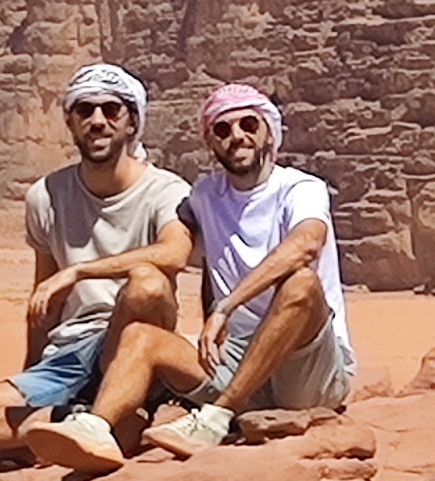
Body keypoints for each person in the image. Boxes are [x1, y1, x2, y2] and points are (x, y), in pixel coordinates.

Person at [0, 63, 191, 466]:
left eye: (111, 110)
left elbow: (174, 254)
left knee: (146, 283)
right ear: (70, 120)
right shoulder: (46, 196)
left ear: (132, 121)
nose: (98, 121)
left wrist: (80, 270)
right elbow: (44, 301)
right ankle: (92, 421)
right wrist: (31, 376)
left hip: (130, 344)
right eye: (85, 110)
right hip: (68, 355)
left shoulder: (166, 190)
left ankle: (119, 403)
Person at [80, 82, 357, 461]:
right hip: (238, 360)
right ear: (210, 142)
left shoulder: (300, 188)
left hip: (305, 371)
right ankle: (94, 429)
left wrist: (225, 309)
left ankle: (213, 419)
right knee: (141, 336)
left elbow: (305, 246)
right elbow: (191, 253)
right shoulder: (204, 196)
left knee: (302, 284)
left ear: (269, 133)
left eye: (248, 125)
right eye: (223, 130)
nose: (237, 136)